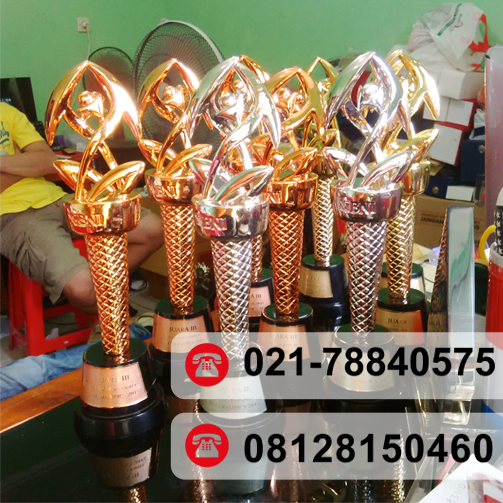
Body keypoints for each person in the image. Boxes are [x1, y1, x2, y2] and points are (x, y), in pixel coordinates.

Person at [0, 102, 163, 315]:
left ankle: (106, 301)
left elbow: (48, 161)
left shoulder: (6, 112)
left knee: (154, 229)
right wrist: (23, 163)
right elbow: (38, 162)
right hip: (13, 215)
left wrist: (11, 165)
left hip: (58, 199)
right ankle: (113, 311)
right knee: (83, 290)